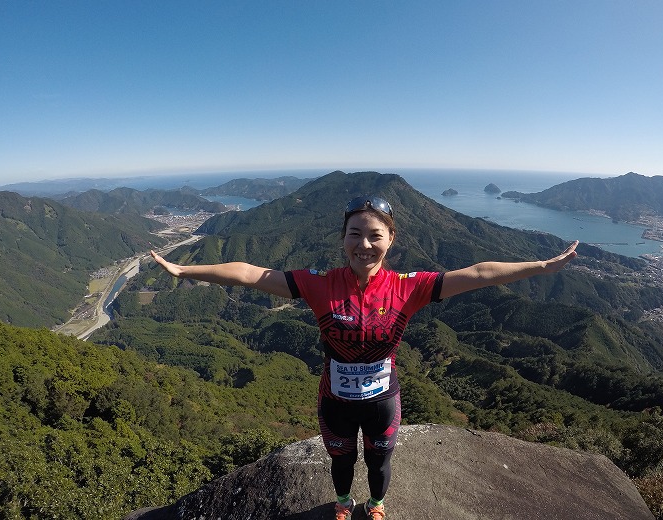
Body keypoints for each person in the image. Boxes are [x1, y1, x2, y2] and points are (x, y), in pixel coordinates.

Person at [150, 195, 578, 520]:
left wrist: (541, 267)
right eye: (354, 234)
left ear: (391, 240)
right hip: (335, 399)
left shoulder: (409, 286)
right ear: (343, 240)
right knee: (341, 460)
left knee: (379, 460)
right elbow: (250, 274)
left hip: (381, 399)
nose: (364, 244)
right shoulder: (320, 283)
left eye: (375, 235)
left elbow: (480, 273)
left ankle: (375, 505)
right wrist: (184, 270)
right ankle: (342, 502)